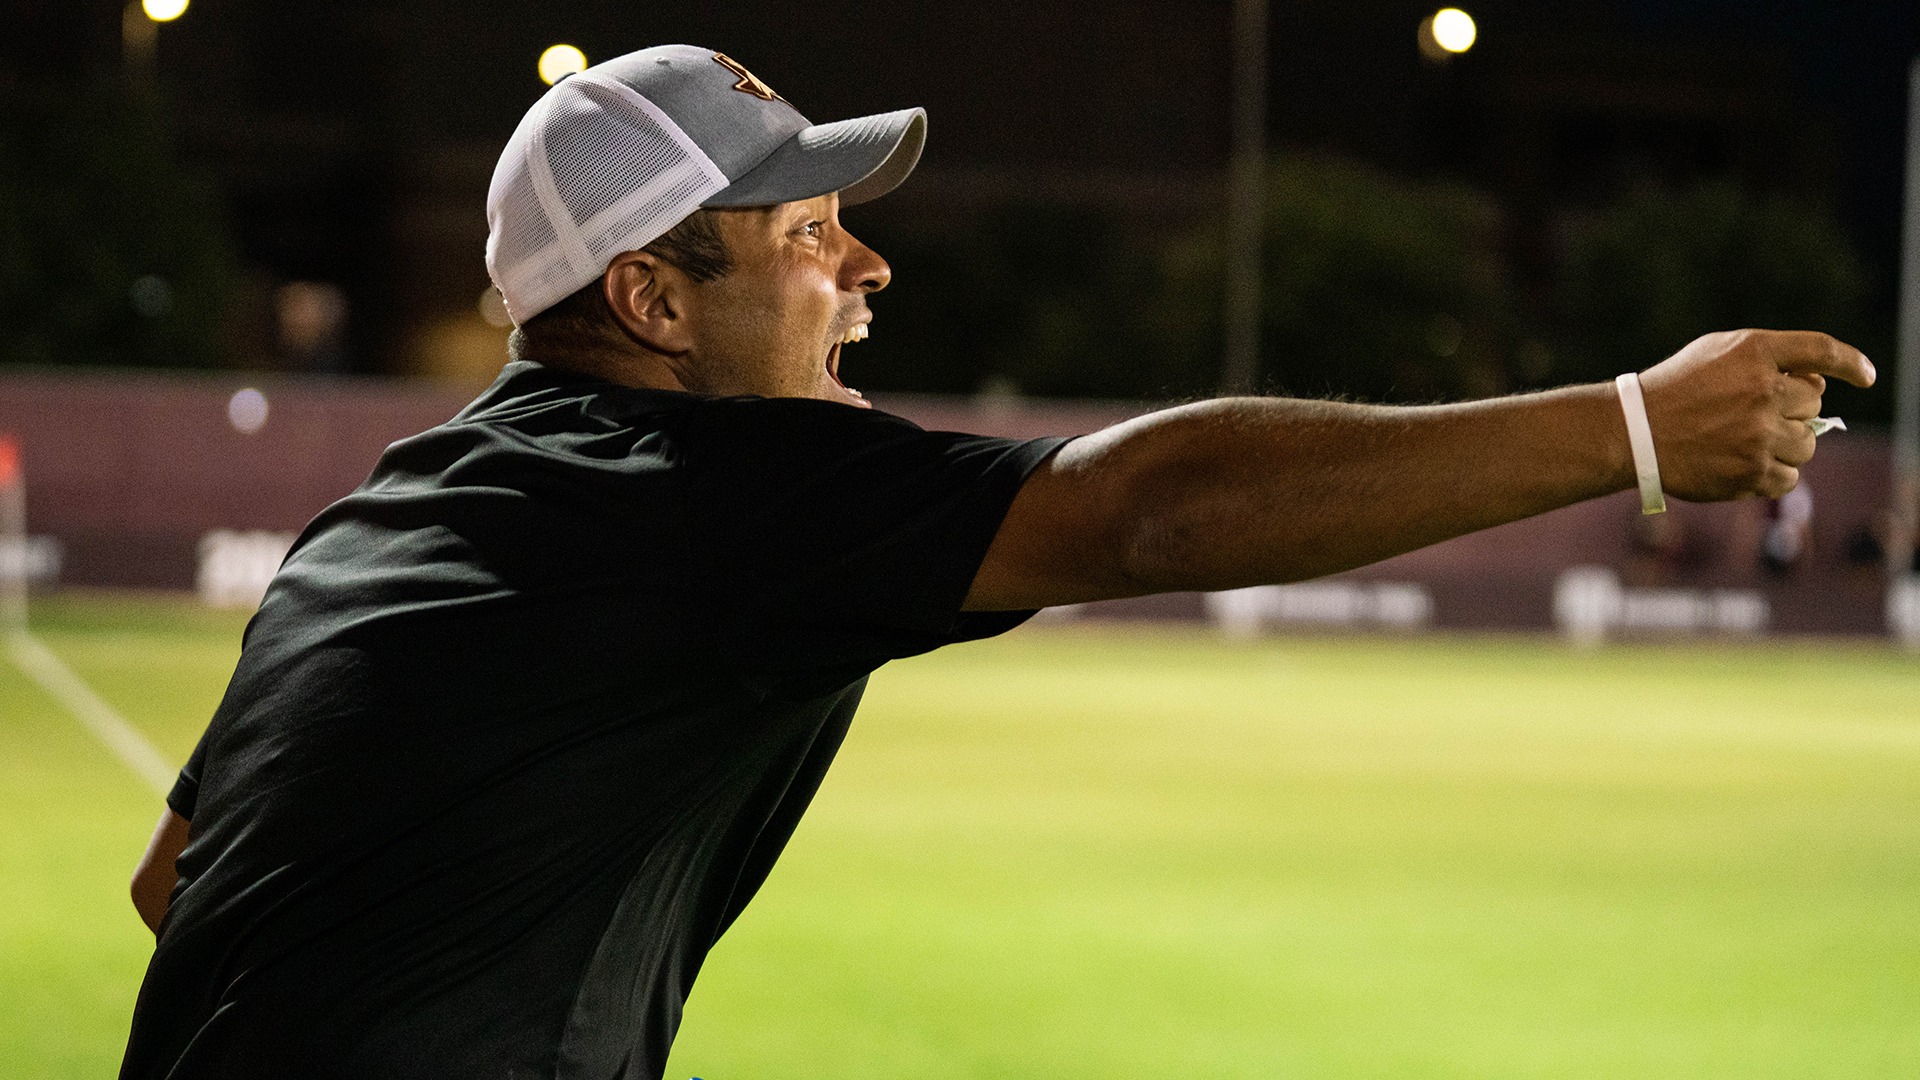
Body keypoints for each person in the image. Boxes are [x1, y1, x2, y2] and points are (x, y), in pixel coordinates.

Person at [120, 44, 1874, 1080]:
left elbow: (173, 878)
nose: (864, 267)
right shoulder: (704, 483)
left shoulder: (396, 506)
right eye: (805, 231)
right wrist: (1635, 427)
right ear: (651, 303)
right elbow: (1140, 513)